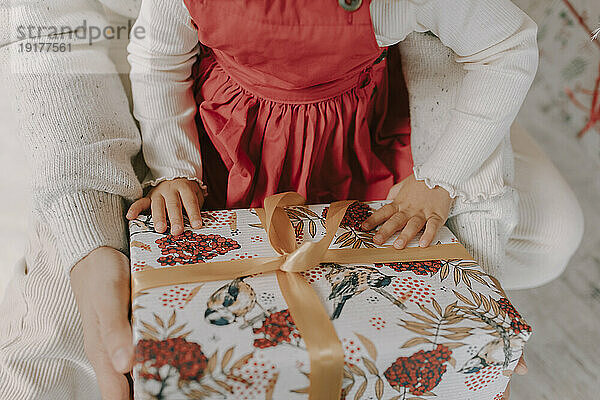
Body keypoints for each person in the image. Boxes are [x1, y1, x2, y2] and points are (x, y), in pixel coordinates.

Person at [0, 2, 582, 400]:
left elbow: (504, 45)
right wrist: (172, 169)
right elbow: (157, 61)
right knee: (63, 325)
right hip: (232, 130)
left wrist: (446, 178)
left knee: (519, 237)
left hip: (354, 129)